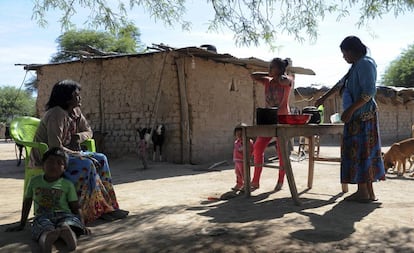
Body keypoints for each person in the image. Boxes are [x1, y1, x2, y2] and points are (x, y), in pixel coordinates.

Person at [30, 79, 128, 223]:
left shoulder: (75, 112)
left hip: (66, 154)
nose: (80, 97)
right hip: (50, 158)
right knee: (87, 164)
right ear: (67, 98)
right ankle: (93, 209)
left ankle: (109, 206)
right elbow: (55, 147)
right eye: (76, 95)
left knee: (101, 158)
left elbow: (88, 131)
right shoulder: (56, 115)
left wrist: (79, 137)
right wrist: (80, 154)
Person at [315, 35, 385, 202]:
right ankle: (368, 192)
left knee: (361, 153)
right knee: (362, 153)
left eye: (345, 53)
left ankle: (364, 192)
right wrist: (324, 97)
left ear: (352, 51)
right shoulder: (355, 66)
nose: (344, 56)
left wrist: (350, 110)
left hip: (362, 117)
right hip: (356, 117)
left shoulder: (366, 64)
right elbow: (341, 83)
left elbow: (368, 93)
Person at [6, 147, 89, 253]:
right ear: (43, 165)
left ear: (64, 168)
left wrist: (82, 224)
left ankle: (67, 234)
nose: (54, 165)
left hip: (64, 214)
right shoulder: (34, 181)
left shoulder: (67, 184)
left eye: (59, 163)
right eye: (50, 161)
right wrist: (22, 223)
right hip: (42, 216)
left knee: (69, 223)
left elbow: (75, 206)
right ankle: (47, 239)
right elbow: (27, 202)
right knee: (43, 228)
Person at [250, 58, 293, 191]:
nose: (269, 69)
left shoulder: (287, 80)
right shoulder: (267, 81)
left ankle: (280, 180)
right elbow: (253, 75)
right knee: (257, 147)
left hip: (283, 119)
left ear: (280, 69)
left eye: (272, 67)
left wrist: (278, 75)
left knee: (281, 151)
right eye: (269, 67)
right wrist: (269, 74)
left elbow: (285, 81)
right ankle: (255, 181)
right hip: (268, 119)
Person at [231, 123, 254, 192]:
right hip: (237, 160)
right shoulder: (237, 142)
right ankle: (239, 184)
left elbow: (249, 149)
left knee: (244, 174)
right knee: (237, 173)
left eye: (241, 135)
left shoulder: (247, 142)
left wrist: (243, 148)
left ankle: (247, 185)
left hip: (243, 160)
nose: (239, 136)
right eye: (237, 134)